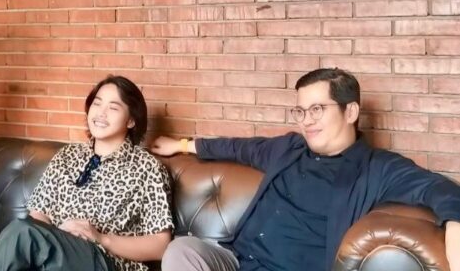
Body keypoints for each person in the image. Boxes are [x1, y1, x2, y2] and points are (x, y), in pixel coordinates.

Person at [150, 68, 460, 271]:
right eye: (300, 111)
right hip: (237, 261)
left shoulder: (377, 168)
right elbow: (237, 147)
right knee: (181, 250)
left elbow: (441, 190)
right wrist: (182, 145)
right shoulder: (289, 148)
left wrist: (455, 228)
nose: (306, 120)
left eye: (317, 109)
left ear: (351, 111)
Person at [0, 75, 173, 271]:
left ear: (130, 120)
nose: (101, 113)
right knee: (24, 233)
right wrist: (52, 241)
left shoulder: (147, 167)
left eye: (113, 108)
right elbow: (39, 213)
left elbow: (160, 245)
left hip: (106, 262)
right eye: (97, 104)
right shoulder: (67, 155)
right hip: (55, 255)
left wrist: (100, 237)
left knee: (22, 232)